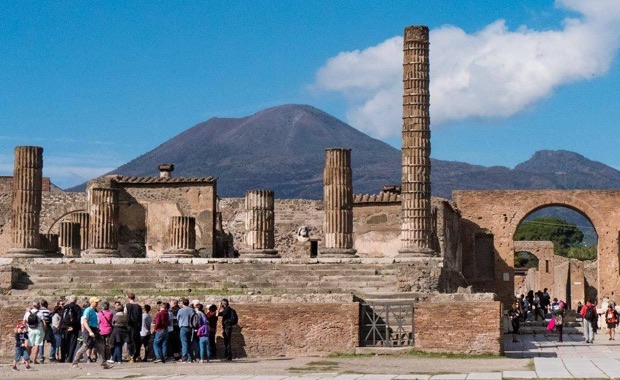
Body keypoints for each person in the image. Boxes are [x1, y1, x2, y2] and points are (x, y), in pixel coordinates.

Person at [71, 297, 113, 369]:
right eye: (95, 302)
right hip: (89, 331)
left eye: (97, 302)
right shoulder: (88, 310)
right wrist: (90, 331)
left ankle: (103, 364)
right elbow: (84, 321)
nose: (97, 303)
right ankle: (75, 363)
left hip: (95, 330)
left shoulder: (94, 311)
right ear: (92, 302)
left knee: (100, 347)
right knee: (85, 347)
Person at [60, 295, 82, 362]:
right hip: (74, 329)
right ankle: (70, 358)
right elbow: (78, 319)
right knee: (72, 343)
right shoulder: (77, 307)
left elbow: (62, 318)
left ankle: (63, 358)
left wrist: (66, 327)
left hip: (65, 328)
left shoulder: (65, 307)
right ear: (76, 300)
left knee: (64, 343)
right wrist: (73, 327)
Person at [124, 293, 143, 363]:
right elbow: (140, 317)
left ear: (128, 298)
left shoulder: (127, 306)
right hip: (136, 326)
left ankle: (131, 356)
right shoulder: (138, 306)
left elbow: (125, 315)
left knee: (130, 341)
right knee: (137, 341)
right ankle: (137, 355)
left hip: (129, 325)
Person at [177, 298, 194, 363]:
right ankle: (190, 358)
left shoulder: (180, 310)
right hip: (190, 327)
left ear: (183, 303)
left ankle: (184, 358)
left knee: (184, 343)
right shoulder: (191, 310)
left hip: (183, 327)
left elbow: (178, 318)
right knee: (189, 343)